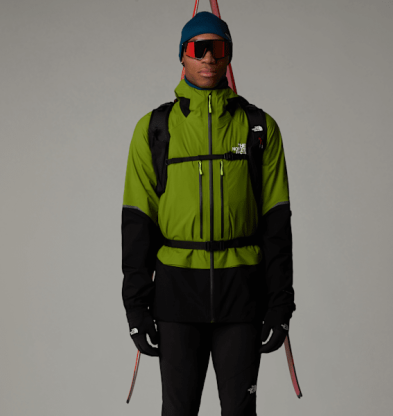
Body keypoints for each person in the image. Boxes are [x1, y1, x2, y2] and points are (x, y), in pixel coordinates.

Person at [121, 11, 296, 416]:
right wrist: (136, 307)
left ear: (229, 55)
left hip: (242, 295)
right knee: (178, 411)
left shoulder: (259, 128)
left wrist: (280, 304)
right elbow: (137, 225)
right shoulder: (154, 130)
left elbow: (276, 224)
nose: (208, 58)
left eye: (217, 49)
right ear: (182, 55)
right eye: (198, 49)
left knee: (240, 411)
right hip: (176, 296)